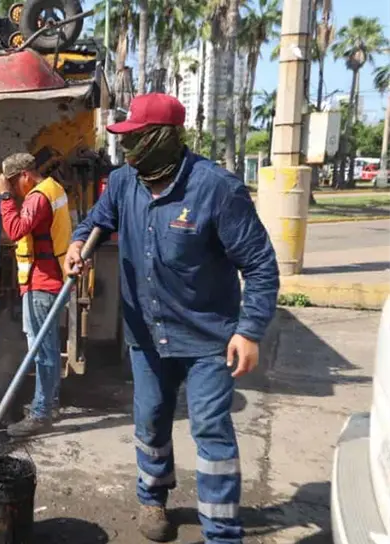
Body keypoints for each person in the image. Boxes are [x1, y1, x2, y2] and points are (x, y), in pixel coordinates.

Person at [66, 93, 280, 543]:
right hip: (147, 336)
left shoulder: (217, 189)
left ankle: (221, 531)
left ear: (162, 138)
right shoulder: (124, 182)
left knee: (210, 433)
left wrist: (249, 330)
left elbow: (260, 265)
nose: (127, 149)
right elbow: (94, 221)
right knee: (150, 422)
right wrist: (77, 244)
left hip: (208, 341)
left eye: (136, 139)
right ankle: (153, 498)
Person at [0, 152, 75, 438]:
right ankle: (49, 404)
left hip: (43, 282)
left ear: (25, 175)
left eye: (14, 184)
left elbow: (15, 229)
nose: (13, 189)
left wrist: (4, 198)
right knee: (48, 345)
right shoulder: (53, 189)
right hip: (50, 279)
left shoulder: (38, 198)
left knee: (42, 349)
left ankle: (41, 413)